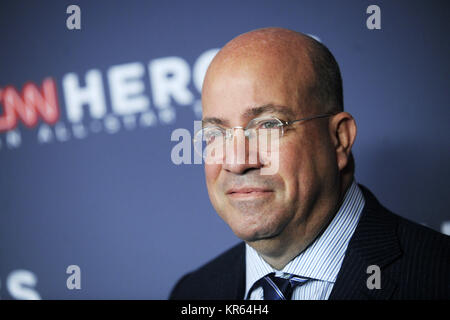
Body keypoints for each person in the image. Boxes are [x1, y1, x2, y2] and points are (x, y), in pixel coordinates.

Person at [169, 27, 449, 300]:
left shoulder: (437, 276)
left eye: (268, 125)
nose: (237, 162)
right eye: (215, 134)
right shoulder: (193, 292)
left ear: (339, 139)